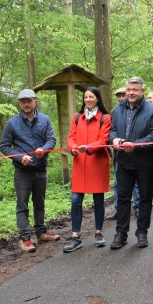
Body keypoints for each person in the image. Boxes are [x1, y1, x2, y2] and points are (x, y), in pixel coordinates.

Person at [0, 89, 60, 252]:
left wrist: (43, 149)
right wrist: (19, 157)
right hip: (22, 173)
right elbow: (4, 146)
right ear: (19, 103)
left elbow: (52, 140)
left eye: (29, 101)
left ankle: (41, 232)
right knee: (22, 205)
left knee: (39, 203)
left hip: (41, 170)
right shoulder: (12, 123)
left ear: (35, 101)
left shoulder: (45, 120)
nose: (26, 104)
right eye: (23, 101)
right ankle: (25, 238)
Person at [109, 77, 153, 249]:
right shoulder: (118, 109)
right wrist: (114, 139)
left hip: (145, 162)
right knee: (123, 198)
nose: (131, 93)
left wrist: (136, 145)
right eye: (128, 90)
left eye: (135, 90)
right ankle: (121, 233)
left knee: (145, 199)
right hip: (123, 163)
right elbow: (112, 130)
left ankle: (142, 232)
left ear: (142, 90)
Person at [63, 87, 112, 252]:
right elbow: (70, 137)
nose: (88, 100)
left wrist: (89, 148)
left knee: (98, 200)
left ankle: (98, 232)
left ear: (97, 99)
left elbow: (103, 140)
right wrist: (73, 147)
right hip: (80, 164)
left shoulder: (105, 118)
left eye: (91, 97)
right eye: (85, 97)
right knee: (76, 200)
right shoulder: (77, 117)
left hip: (97, 163)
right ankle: (75, 236)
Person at [106, 87, 141, 221]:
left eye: (122, 95)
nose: (120, 98)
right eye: (118, 96)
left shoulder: (135, 110)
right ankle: (118, 209)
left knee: (136, 183)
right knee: (117, 182)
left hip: (133, 151)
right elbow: (111, 131)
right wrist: (114, 141)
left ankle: (137, 207)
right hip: (118, 153)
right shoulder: (116, 111)